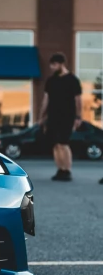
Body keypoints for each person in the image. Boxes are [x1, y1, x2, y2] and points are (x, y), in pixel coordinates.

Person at [39, 52, 82, 181]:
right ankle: (60, 170)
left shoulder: (73, 80)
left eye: (54, 65)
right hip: (53, 116)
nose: (52, 67)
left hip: (67, 116)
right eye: (51, 65)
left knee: (63, 143)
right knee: (56, 144)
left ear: (61, 64)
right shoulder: (51, 81)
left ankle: (67, 170)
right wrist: (41, 117)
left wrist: (78, 117)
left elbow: (78, 100)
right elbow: (45, 100)